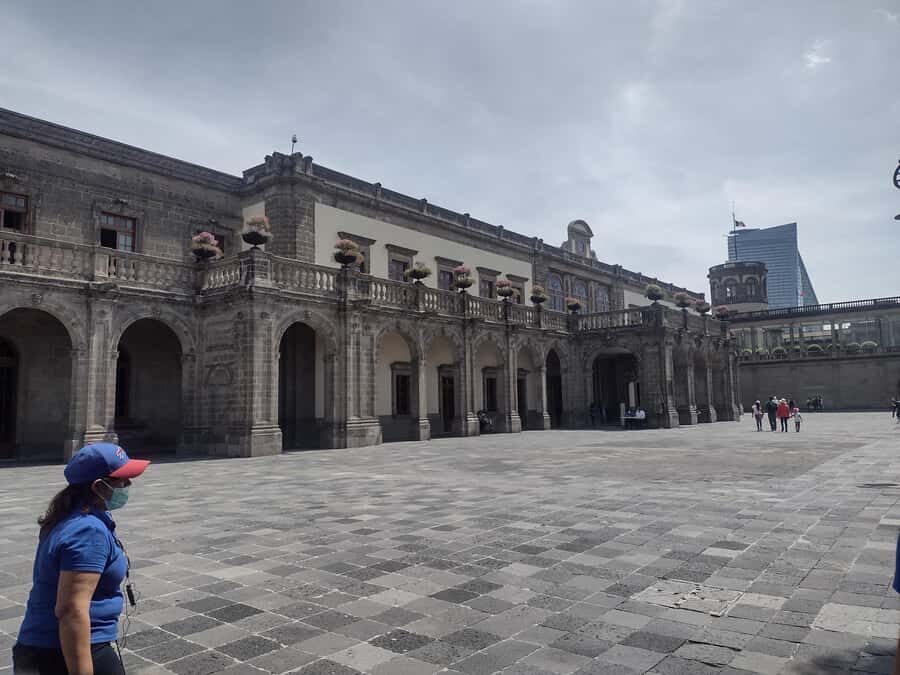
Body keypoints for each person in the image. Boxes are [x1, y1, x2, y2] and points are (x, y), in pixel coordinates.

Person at [13, 443, 150, 675]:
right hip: (66, 651)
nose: (128, 485)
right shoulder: (87, 531)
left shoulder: (71, 514)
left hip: (49, 647)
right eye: (122, 480)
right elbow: (70, 610)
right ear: (99, 486)